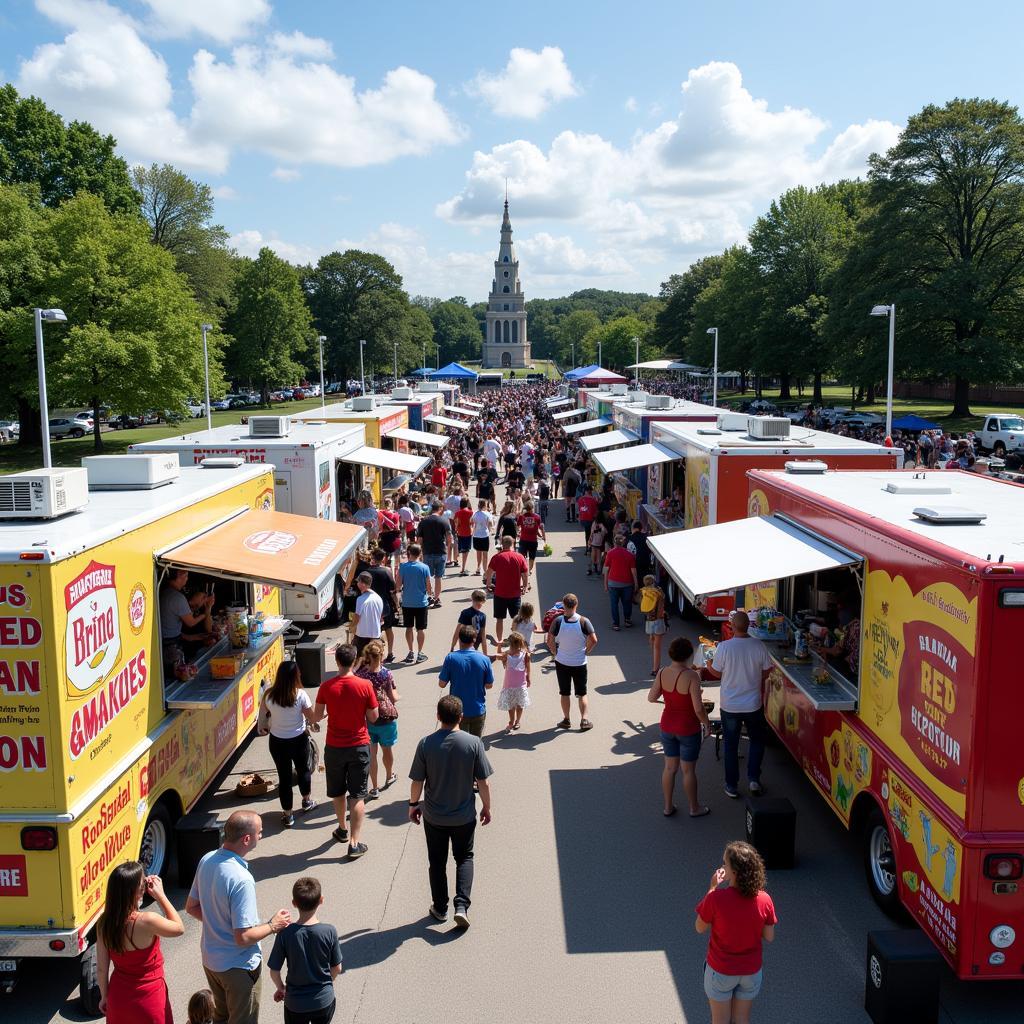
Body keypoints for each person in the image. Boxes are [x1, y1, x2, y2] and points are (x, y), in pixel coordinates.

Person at [185, 811, 292, 1024]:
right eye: (259, 832)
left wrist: (219, 923)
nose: (261, 836)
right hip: (238, 969)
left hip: (211, 961)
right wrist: (273, 925)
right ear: (246, 839)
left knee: (221, 1018)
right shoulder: (242, 879)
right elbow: (243, 937)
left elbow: (191, 907)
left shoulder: (207, 859)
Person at [409, 695, 494, 929]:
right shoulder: (473, 744)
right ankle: (462, 906)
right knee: (464, 857)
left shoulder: (426, 743)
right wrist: (486, 806)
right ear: (461, 717)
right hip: (464, 816)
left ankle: (440, 907)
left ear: (438, 716)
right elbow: (483, 781)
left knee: (436, 862)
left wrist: (413, 804)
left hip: (434, 816)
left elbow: (417, 780)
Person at [695, 842, 777, 1024]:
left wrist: (712, 888)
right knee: (741, 1019)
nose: (723, 866)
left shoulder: (716, 899)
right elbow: (769, 936)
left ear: (734, 872)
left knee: (721, 1021)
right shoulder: (764, 899)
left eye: (725, 863)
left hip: (721, 971)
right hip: (751, 972)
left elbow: (700, 927)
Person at [313, 644, 380, 859]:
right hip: (359, 745)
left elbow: (316, 716)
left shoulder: (326, 686)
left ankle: (342, 828)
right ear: (355, 661)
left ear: (337, 662)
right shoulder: (365, 685)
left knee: (338, 791)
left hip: (334, 746)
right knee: (358, 795)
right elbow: (373, 717)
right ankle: (354, 842)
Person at [97, 862, 183, 1024]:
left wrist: (104, 996)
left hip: (118, 998)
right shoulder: (148, 921)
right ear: (136, 891)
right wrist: (161, 896)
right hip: (149, 999)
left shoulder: (104, 923)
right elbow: (179, 928)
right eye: (143, 882)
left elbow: (102, 969)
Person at [703, 611, 773, 799]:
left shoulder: (724, 647)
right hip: (753, 704)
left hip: (730, 705)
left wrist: (708, 664)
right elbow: (768, 671)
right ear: (748, 626)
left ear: (732, 626)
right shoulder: (759, 646)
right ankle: (753, 780)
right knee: (757, 741)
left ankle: (732, 785)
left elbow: (716, 674)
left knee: (731, 745)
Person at [648, 637, 711, 818]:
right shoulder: (692, 676)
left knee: (669, 768)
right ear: (689, 655)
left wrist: (669, 700)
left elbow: (651, 698)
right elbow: (698, 708)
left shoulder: (661, 672)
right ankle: (694, 807)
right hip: (688, 728)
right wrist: (706, 724)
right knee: (688, 770)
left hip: (667, 725)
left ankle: (668, 807)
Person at [267, 877, 343, 1024]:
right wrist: (327, 982)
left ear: (294, 904)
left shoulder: (285, 934)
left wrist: (282, 988)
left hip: (295, 1004)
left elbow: (274, 971)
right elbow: (337, 968)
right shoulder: (329, 931)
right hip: (323, 1001)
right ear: (321, 900)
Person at [258, 661, 317, 828]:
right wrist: (316, 719)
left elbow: (262, 714)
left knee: (284, 778)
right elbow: (311, 717)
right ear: (295, 676)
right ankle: (306, 801)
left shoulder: (269, 695)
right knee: (303, 769)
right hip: (299, 740)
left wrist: (263, 727)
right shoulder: (300, 695)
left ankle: (288, 814)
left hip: (277, 742)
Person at [355, 640, 400, 800]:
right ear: (381, 656)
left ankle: (374, 787)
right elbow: (393, 697)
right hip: (386, 717)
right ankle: (389, 776)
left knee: (371, 754)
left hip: (367, 718)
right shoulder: (386, 674)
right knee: (387, 750)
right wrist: (398, 696)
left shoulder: (360, 675)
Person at [547, 592, 598, 731]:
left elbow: (549, 639)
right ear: (576, 604)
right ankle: (584, 720)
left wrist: (554, 652)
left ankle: (566, 720)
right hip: (579, 662)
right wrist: (586, 651)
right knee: (582, 693)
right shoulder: (584, 621)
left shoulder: (558, 621)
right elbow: (594, 639)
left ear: (564, 605)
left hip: (562, 662)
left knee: (564, 693)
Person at [438, 624, 494, 737]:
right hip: (478, 709)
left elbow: (442, 684)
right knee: (475, 744)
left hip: (457, 711)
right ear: (474, 640)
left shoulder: (451, 658)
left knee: (458, 745)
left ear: (459, 639)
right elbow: (489, 685)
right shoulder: (484, 659)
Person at [485, 535, 529, 643]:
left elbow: (489, 572)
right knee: (517, 619)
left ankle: (499, 640)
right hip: (515, 594)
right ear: (513, 544)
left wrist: (489, 584)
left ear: (502, 544)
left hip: (500, 593)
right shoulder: (520, 557)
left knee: (499, 619)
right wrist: (525, 586)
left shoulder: (497, 557)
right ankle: (517, 640)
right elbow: (525, 574)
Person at [396, 543, 431, 664]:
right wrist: (429, 594)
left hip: (407, 602)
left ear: (408, 553)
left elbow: (398, 585)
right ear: (420, 554)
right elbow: (429, 587)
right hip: (421, 602)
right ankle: (420, 653)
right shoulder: (425, 567)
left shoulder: (403, 567)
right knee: (420, 629)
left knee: (409, 627)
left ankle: (411, 651)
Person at [415, 500, 451, 608]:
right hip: (440, 552)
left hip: (427, 552)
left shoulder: (424, 521)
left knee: (428, 576)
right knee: (438, 577)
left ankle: (429, 596)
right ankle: (436, 598)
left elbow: (419, 540)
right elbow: (449, 538)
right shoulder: (444, 521)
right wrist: (448, 548)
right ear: (440, 509)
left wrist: (419, 552)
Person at [495, 630, 531, 731]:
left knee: (519, 704)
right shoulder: (506, 655)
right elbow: (498, 656)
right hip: (509, 684)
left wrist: (528, 678)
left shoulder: (525, 655)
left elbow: (528, 667)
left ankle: (517, 721)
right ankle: (512, 721)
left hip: (520, 684)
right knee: (512, 704)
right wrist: (499, 646)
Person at [366, 548, 397, 661]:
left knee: (374, 632)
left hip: (371, 606)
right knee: (388, 629)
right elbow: (393, 590)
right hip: (385, 605)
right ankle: (390, 653)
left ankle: (373, 655)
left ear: (372, 557)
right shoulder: (387, 571)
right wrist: (397, 604)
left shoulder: (367, 571)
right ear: (383, 558)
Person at [602, 535, 637, 631]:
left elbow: (606, 570)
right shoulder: (630, 555)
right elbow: (633, 571)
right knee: (627, 603)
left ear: (614, 542)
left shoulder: (610, 553)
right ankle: (627, 620)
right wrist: (636, 584)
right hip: (627, 583)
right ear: (623, 543)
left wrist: (605, 584)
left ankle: (616, 624)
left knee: (614, 604)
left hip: (613, 583)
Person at [639, 575, 667, 674]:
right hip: (658, 620)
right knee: (657, 647)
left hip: (649, 620)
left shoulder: (643, 592)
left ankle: (654, 663)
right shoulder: (658, 592)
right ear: (654, 582)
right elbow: (663, 603)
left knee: (652, 641)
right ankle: (655, 669)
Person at [352, 572, 384, 656]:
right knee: (374, 660)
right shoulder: (378, 598)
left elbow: (357, 618)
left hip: (362, 635)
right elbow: (380, 617)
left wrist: (351, 628)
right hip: (376, 635)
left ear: (362, 584)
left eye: (358, 582)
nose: (357, 584)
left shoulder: (360, 599)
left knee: (361, 660)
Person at [452, 589, 489, 654]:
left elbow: (483, 635)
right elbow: (458, 631)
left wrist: (452, 647)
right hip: (470, 641)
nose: (479, 605)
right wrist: (485, 655)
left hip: (470, 642)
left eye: (480, 603)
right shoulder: (468, 613)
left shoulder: (481, 615)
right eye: (478, 603)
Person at [516, 500, 546, 580]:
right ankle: (529, 570)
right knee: (532, 557)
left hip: (523, 540)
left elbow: (517, 526)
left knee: (523, 557)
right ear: (532, 508)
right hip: (533, 540)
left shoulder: (522, 517)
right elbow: (540, 528)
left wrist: (518, 533)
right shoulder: (537, 517)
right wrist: (543, 537)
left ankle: (524, 570)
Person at [470, 500, 494, 575]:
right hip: (484, 535)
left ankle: (478, 568)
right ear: (485, 505)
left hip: (476, 535)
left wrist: (473, 529)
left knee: (478, 552)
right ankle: (485, 570)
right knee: (485, 554)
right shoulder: (487, 514)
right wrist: (490, 529)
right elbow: (490, 524)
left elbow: (471, 522)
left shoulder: (475, 513)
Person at [454, 497, 474, 575]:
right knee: (466, 552)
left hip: (460, 532)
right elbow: (472, 522)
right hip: (468, 532)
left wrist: (457, 527)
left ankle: (459, 562)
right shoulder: (470, 512)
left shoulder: (458, 512)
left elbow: (456, 521)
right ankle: (463, 568)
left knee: (461, 549)